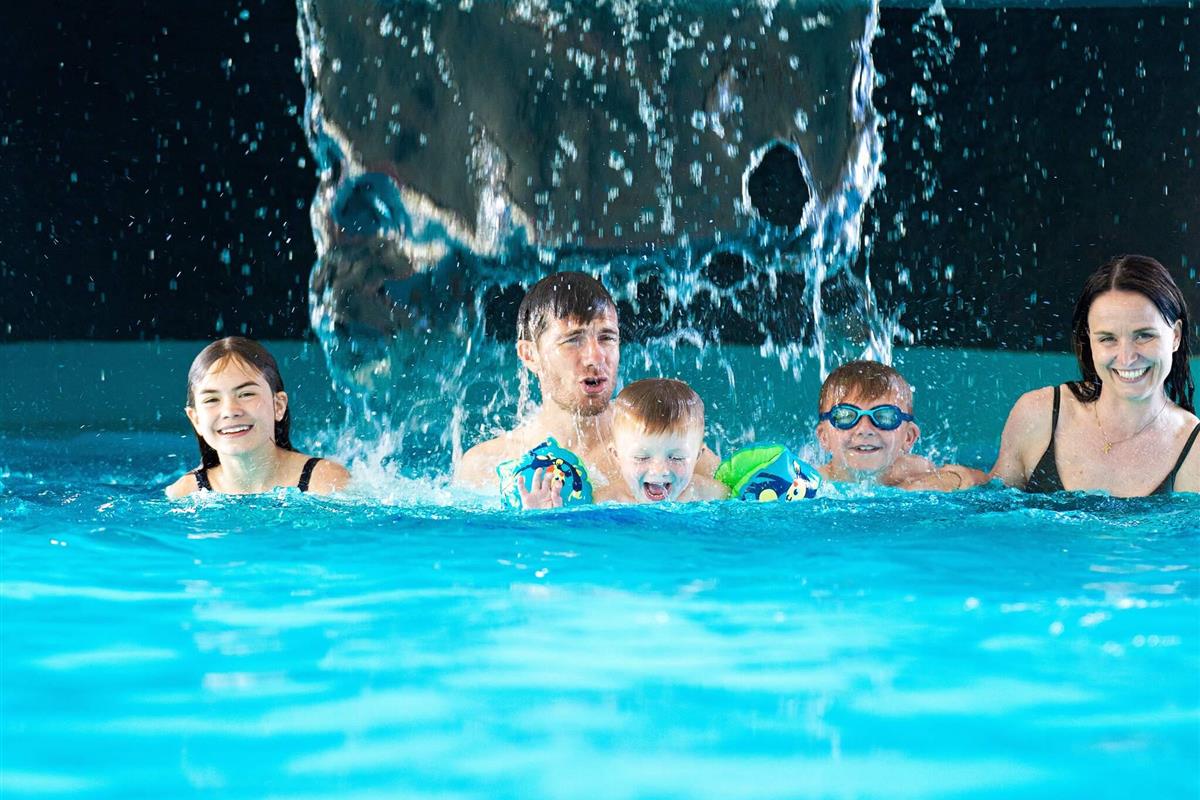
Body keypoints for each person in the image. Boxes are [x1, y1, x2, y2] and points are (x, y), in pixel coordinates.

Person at [453, 272, 719, 494]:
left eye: (607, 338)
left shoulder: (668, 449)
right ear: (530, 355)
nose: (595, 357)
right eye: (573, 340)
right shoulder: (486, 468)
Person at [990, 255, 1197, 495]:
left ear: (1175, 336)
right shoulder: (1039, 416)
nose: (1127, 358)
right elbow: (989, 502)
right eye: (1108, 338)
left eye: (1144, 335)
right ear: (1090, 340)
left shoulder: (1195, 453)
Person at [165, 337, 350, 497]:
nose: (230, 411)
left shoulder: (326, 482)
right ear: (196, 419)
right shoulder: (184, 492)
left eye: (246, 394)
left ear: (278, 405)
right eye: (212, 399)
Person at [815, 360, 985, 491]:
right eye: (845, 416)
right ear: (824, 437)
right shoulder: (814, 482)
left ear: (908, 437)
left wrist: (935, 483)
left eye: (885, 416)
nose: (865, 430)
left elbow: (981, 478)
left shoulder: (913, 471)